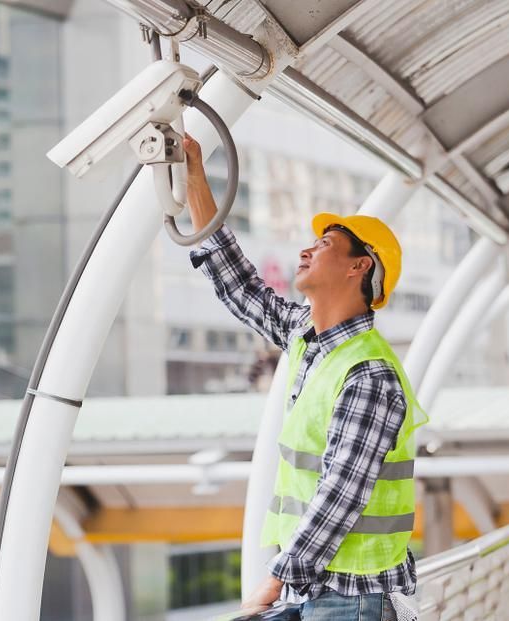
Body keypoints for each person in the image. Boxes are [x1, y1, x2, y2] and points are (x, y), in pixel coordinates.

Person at [182, 134, 426, 621]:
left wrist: (274, 579)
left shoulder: (369, 373)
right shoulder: (307, 337)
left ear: (361, 265)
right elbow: (239, 286)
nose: (307, 249)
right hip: (317, 591)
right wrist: (193, 178)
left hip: (352, 598)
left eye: (325, 243)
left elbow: (341, 493)